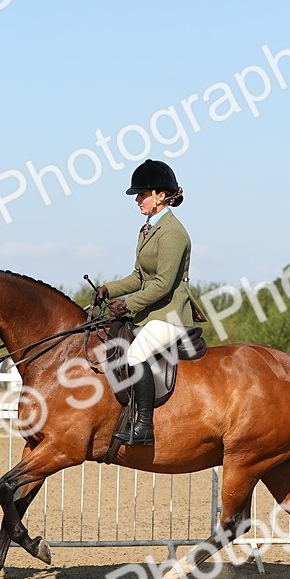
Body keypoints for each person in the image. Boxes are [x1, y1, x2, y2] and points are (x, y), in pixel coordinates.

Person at [96, 159, 202, 446]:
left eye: (142, 194)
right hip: (151, 314)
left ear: (160, 196)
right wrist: (108, 289)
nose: (137, 200)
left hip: (170, 316)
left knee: (135, 355)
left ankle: (144, 427)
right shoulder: (147, 229)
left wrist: (128, 305)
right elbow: (139, 277)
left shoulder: (173, 233)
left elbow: (163, 284)